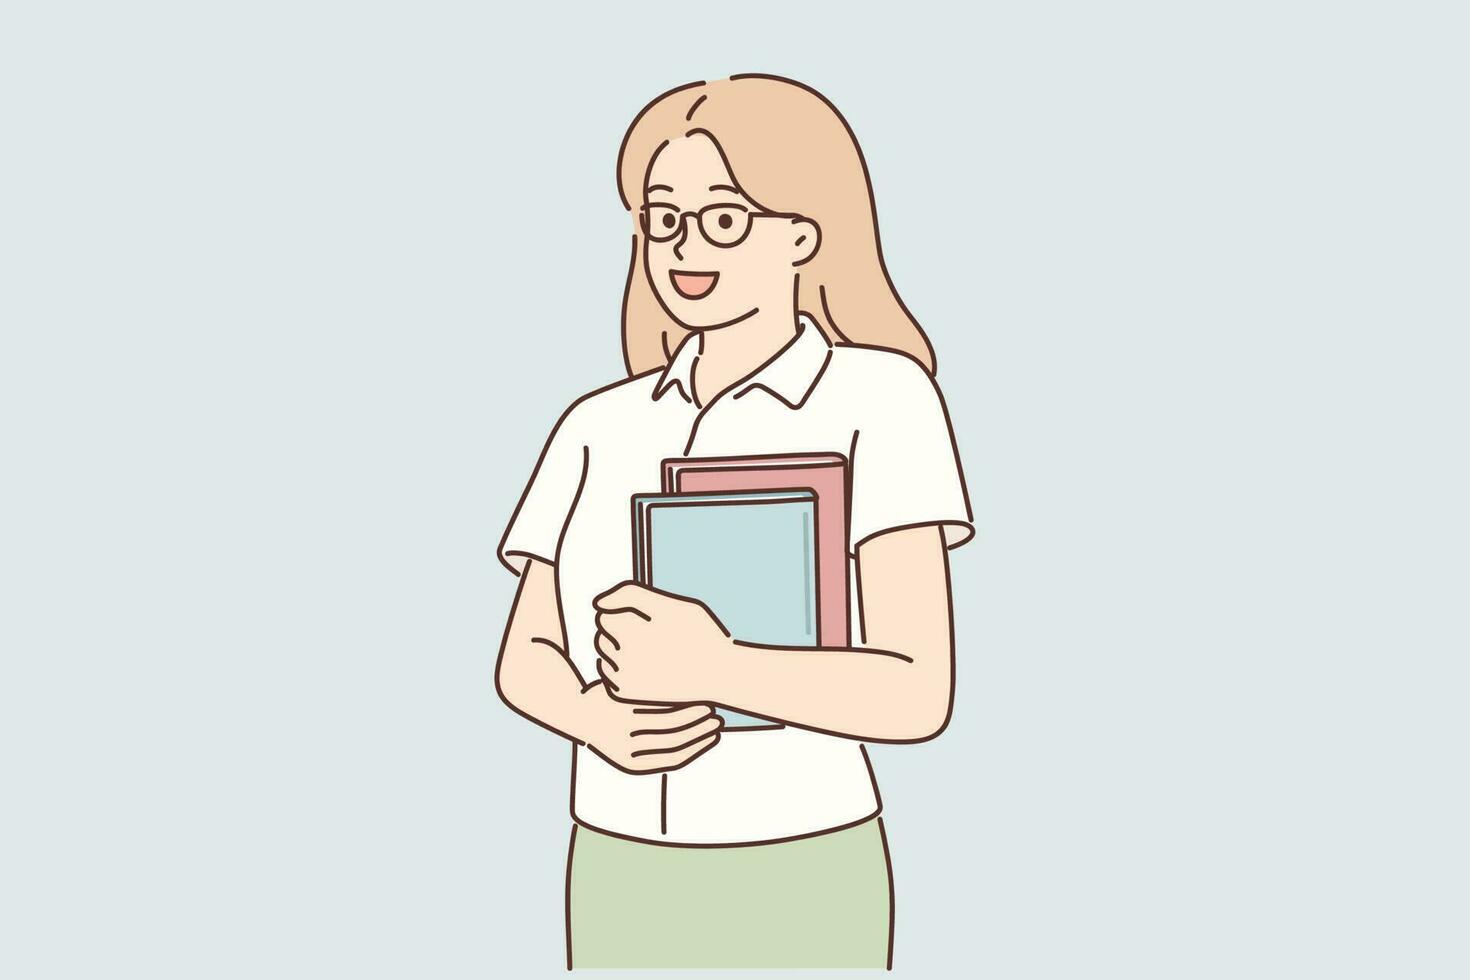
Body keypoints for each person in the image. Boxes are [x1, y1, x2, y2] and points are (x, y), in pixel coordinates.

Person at [495, 74, 972, 969]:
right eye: (662, 220)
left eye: (722, 218)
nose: (685, 249)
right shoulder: (598, 425)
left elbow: (918, 691)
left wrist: (717, 668)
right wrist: (592, 719)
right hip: (617, 855)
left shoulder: (881, 401)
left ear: (803, 232)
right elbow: (524, 654)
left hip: (801, 855)